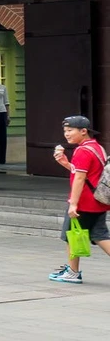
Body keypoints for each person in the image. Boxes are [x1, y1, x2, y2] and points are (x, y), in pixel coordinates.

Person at [51, 115, 108, 284]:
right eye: (65, 131)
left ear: (83, 131)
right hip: (98, 200)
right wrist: (65, 163)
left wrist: (73, 204)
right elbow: (86, 173)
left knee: (71, 236)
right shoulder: (97, 147)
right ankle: (72, 271)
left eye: (70, 130)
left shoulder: (82, 150)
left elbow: (80, 179)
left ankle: (73, 272)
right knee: (100, 235)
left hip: (84, 202)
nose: (66, 134)